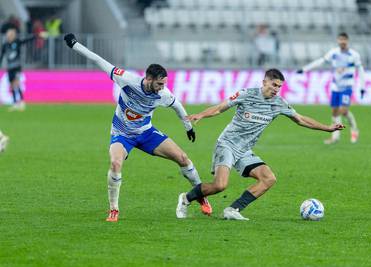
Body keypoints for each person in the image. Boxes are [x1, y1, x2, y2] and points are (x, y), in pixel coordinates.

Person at [63, 33, 212, 222]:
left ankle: (201, 195)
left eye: (164, 83)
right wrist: (75, 45)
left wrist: (188, 127)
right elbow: (98, 60)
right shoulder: (126, 79)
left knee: (183, 158)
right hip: (122, 134)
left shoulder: (163, 94)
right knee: (116, 163)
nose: (162, 87)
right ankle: (114, 209)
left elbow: (177, 106)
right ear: (148, 79)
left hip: (146, 133)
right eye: (159, 83)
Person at [176, 69, 344, 220]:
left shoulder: (279, 103)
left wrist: (327, 128)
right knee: (220, 185)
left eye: (279, 86)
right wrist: (201, 115)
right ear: (264, 82)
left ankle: (233, 209)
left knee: (268, 178)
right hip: (227, 144)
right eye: (274, 85)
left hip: (244, 150)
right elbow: (220, 108)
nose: (276, 89)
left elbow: (300, 119)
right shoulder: (246, 94)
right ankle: (186, 198)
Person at [297, 32, 365, 144]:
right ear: (338, 40)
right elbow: (321, 61)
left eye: (344, 40)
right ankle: (335, 137)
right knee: (334, 112)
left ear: (347, 41)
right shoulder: (333, 53)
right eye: (340, 39)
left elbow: (360, 70)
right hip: (335, 87)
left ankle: (354, 130)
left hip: (347, 86)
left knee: (343, 111)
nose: (342, 42)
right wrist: (305, 69)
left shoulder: (354, 55)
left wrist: (362, 86)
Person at [0, 28, 37, 111]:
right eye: (8, 35)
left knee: (17, 83)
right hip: (9, 67)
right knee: (12, 86)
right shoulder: (5, 45)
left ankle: (22, 102)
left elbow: (25, 41)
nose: (9, 36)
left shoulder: (17, 42)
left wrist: (34, 36)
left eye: (11, 35)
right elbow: (2, 56)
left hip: (17, 67)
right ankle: (15, 103)